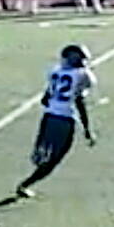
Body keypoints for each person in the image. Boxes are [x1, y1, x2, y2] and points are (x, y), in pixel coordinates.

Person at [15, 44, 97, 200]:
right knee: (54, 160)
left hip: (48, 117)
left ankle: (38, 155)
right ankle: (25, 184)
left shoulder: (55, 71)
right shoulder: (83, 75)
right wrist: (87, 129)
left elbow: (45, 99)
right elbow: (80, 102)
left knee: (47, 154)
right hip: (64, 121)